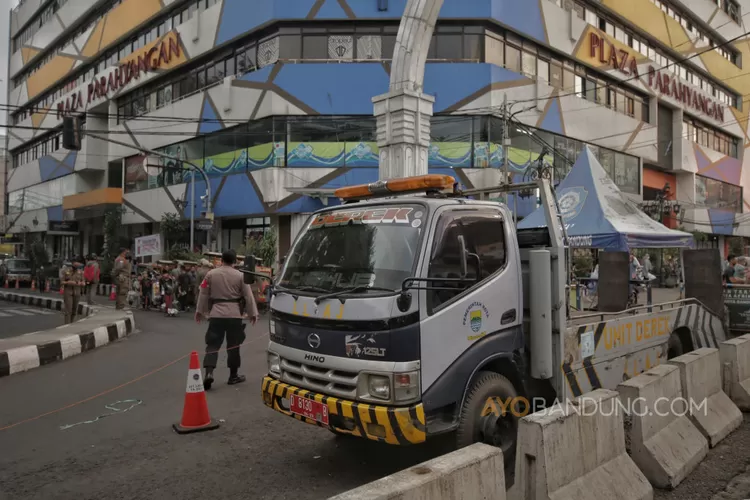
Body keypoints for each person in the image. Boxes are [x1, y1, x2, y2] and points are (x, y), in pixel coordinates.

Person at [196, 249, 259, 390]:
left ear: (221, 260)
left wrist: (199, 311)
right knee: (233, 346)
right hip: (234, 315)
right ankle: (233, 375)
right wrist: (253, 314)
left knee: (212, 344)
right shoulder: (240, 276)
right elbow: (248, 296)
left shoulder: (210, 274)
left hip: (216, 314)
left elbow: (203, 293)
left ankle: (209, 373)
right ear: (235, 261)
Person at [62, 255, 85, 324]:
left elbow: (83, 282)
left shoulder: (81, 272)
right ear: (73, 263)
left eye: (79, 263)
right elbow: (61, 281)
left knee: (74, 310)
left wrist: (82, 283)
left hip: (77, 292)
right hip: (68, 291)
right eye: (76, 262)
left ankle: (71, 323)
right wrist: (68, 282)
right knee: (68, 310)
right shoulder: (66, 270)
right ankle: (67, 325)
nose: (78, 264)